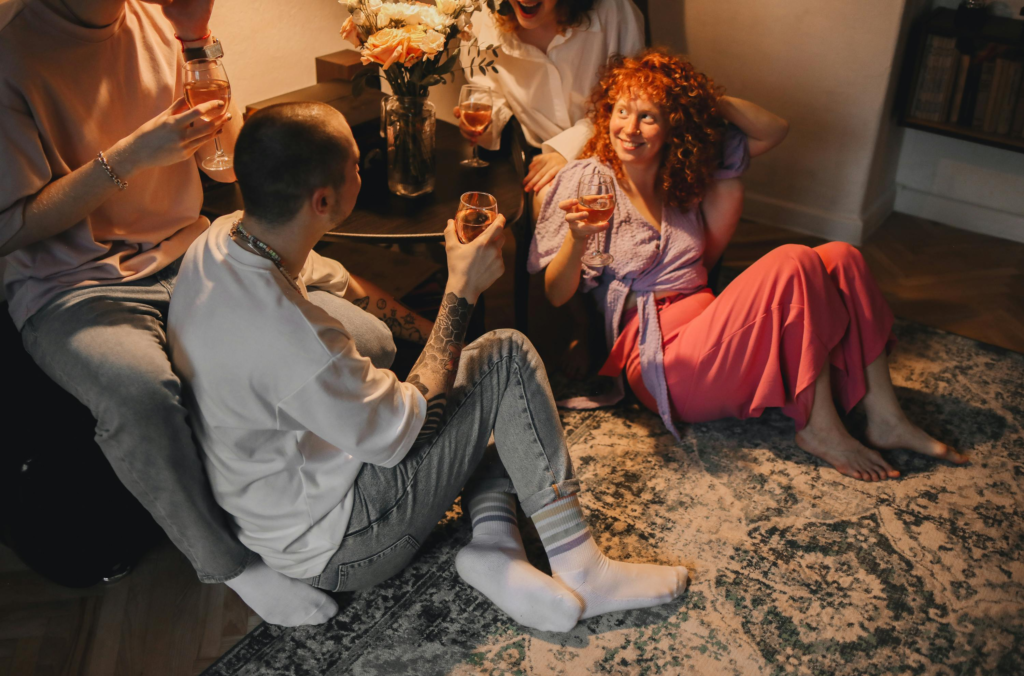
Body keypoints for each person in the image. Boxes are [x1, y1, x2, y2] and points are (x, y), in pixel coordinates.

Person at [167, 102, 689, 633]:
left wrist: (433, 330)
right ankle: (583, 567)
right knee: (505, 356)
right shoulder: (293, 338)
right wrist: (459, 292)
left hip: (276, 503)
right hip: (344, 544)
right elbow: (413, 424)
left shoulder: (227, 238)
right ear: (323, 200)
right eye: (354, 165)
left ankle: (492, 544)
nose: (362, 169)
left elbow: (342, 284)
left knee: (497, 405)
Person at [0, 0, 399, 627]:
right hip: (71, 283)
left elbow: (223, 159)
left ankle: (315, 500)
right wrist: (128, 158)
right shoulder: (13, 51)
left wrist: (198, 42)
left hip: (189, 249)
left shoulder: (163, 22)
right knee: (140, 396)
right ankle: (232, 567)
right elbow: (11, 229)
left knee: (369, 340)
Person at [530, 49, 967, 482]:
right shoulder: (590, 177)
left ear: (672, 126)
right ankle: (819, 428)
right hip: (661, 360)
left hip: (712, 332)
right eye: (622, 110)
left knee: (843, 256)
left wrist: (698, 97)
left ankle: (886, 417)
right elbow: (554, 291)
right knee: (793, 260)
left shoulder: (679, 179)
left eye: (649, 116)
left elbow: (773, 130)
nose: (629, 127)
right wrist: (578, 238)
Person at [456, 0, 645, 194]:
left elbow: (634, 101)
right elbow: (487, 92)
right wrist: (486, 121)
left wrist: (569, 149)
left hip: (616, 150)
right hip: (540, 162)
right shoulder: (481, 20)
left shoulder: (614, 11)